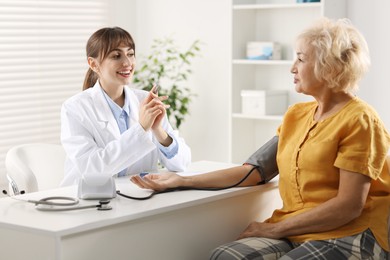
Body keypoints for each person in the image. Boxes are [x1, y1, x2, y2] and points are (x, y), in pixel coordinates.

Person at [131, 18, 390, 259]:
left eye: (300, 59)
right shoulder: (296, 116)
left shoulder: (360, 119)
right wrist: (181, 180)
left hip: (351, 231)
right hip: (296, 226)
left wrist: (276, 229)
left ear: (328, 66)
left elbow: (349, 206)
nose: (292, 67)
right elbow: (254, 171)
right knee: (224, 256)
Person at [60, 27, 191, 186]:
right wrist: (142, 128)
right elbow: (92, 169)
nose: (127, 63)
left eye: (130, 54)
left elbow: (182, 164)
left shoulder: (145, 100)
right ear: (93, 64)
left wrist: (158, 130)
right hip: (88, 201)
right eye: (116, 56)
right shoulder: (75, 108)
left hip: (138, 196)